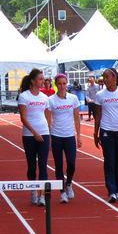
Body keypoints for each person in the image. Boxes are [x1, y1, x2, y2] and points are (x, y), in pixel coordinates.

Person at [94, 68, 118, 203]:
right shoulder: (100, 95)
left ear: (114, 78)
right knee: (109, 162)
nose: (105, 80)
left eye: (107, 77)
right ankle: (112, 191)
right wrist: (95, 133)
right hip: (106, 131)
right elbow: (98, 116)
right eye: (103, 77)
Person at [17, 68, 51, 207]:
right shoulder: (24, 96)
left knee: (43, 165)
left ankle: (42, 195)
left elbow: (48, 114)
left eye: (43, 79)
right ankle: (33, 191)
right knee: (32, 165)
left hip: (44, 133)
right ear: (33, 81)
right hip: (29, 135)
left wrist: (47, 129)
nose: (43, 81)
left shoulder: (44, 97)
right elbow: (23, 118)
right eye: (40, 79)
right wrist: (34, 133)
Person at [49, 74, 82, 204]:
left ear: (67, 84)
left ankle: (68, 183)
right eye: (59, 83)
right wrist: (49, 136)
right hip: (56, 135)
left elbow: (76, 117)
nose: (62, 86)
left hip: (69, 135)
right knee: (58, 165)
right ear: (56, 85)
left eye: (64, 83)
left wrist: (78, 135)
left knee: (71, 163)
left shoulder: (73, 98)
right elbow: (48, 118)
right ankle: (62, 191)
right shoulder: (51, 100)